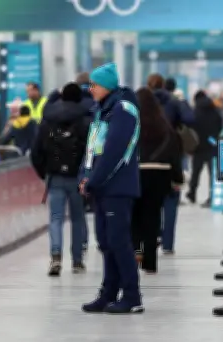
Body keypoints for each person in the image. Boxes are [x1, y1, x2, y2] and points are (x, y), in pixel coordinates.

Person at [79, 63, 143, 314]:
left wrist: (93, 180)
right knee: (105, 242)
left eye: (93, 85)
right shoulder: (101, 112)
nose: (90, 89)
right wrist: (84, 176)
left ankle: (132, 296)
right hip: (101, 187)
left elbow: (114, 153)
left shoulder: (123, 111)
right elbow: (92, 150)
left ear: (106, 86)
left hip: (117, 187)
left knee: (119, 242)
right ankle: (108, 293)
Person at [30, 83, 91, 276]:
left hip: (55, 176)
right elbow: (92, 150)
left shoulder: (48, 118)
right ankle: (77, 261)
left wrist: (44, 172)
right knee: (77, 219)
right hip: (77, 177)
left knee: (55, 218)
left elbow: (36, 151)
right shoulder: (85, 119)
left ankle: (56, 257)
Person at [132, 87, 183, 273]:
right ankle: (150, 262)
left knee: (135, 214)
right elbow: (174, 153)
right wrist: (177, 178)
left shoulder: (131, 124)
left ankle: (136, 250)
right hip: (159, 175)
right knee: (153, 217)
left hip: (135, 173)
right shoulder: (164, 126)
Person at [186, 90, 223, 207]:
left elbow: (190, 128)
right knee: (212, 173)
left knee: (195, 172)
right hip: (212, 146)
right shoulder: (215, 111)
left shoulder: (195, 112)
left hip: (198, 147)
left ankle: (192, 193)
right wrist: (212, 139)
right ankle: (212, 196)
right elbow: (220, 126)